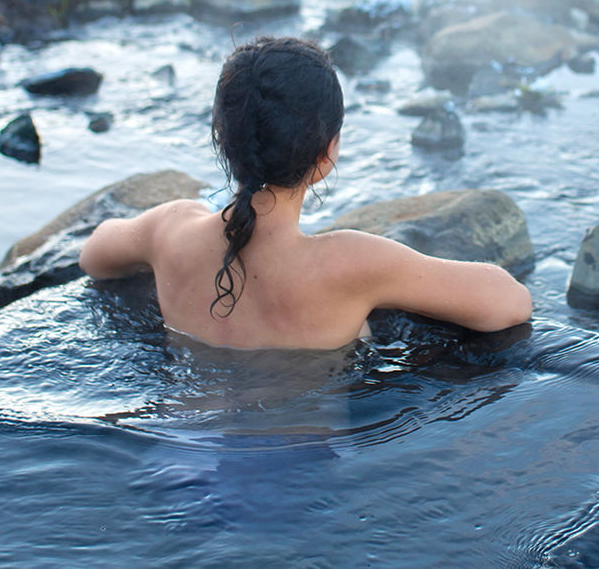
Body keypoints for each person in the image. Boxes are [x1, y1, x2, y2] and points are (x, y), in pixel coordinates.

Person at [79, 36, 531, 350]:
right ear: (327, 152)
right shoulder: (351, 264)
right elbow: (510, 304)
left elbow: (93, 257)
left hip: (177, 460)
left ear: (222, 136)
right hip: (297, 475)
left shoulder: (170, 229)